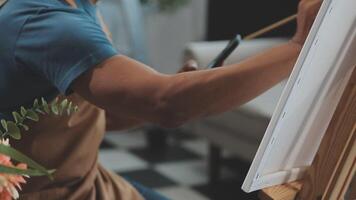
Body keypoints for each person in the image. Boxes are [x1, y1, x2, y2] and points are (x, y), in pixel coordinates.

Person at [0, 0, 321, 199]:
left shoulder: (81, 8)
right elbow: (167, 104)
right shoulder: (51, 20)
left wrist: (190, 93)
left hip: (88, 184)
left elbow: (102, 114)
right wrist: (299, 48)